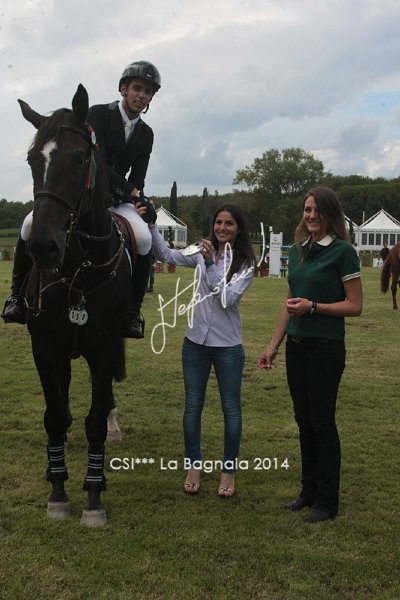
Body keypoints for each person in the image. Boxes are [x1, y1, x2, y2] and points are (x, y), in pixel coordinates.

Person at [1, 60, 160, 339]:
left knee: (144, 238)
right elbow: (97, 162)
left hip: (118, 200)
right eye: (137, 88)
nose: (142, 95)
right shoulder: (97, 115)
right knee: (28, 225)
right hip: (87, 193)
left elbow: (138, 177)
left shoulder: (146, 134)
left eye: (148, 92)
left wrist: (140, 199)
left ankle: (133, 312)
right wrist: (132, 192)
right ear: (124, 88)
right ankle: (15, 296)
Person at [258, 186, 362, 523]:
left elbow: (355, 305)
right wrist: (273, 346)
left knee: (322, 422)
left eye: (318, 210)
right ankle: (309, 492)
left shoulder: (343, 252)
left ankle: (327, 502)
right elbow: (289, 304)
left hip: (325, 348)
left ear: (331, 215)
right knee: (304, 420)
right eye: (307, 210)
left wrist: (314, 307)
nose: (312, 215)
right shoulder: (299, 251)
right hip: (297, 346)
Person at [149, 204, 255, 497]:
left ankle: (228, 471)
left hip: (227, 345)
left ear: (239, 228)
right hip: (195, 342)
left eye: (229, 223)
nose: (222, 228)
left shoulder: (245, 263)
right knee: (192, 406)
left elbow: (227, 299)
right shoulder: (201, 249)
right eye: (218, 222)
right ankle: (193, 466)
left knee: (231, 409)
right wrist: (151, 225)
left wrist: (209, 266)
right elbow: (166, 255)